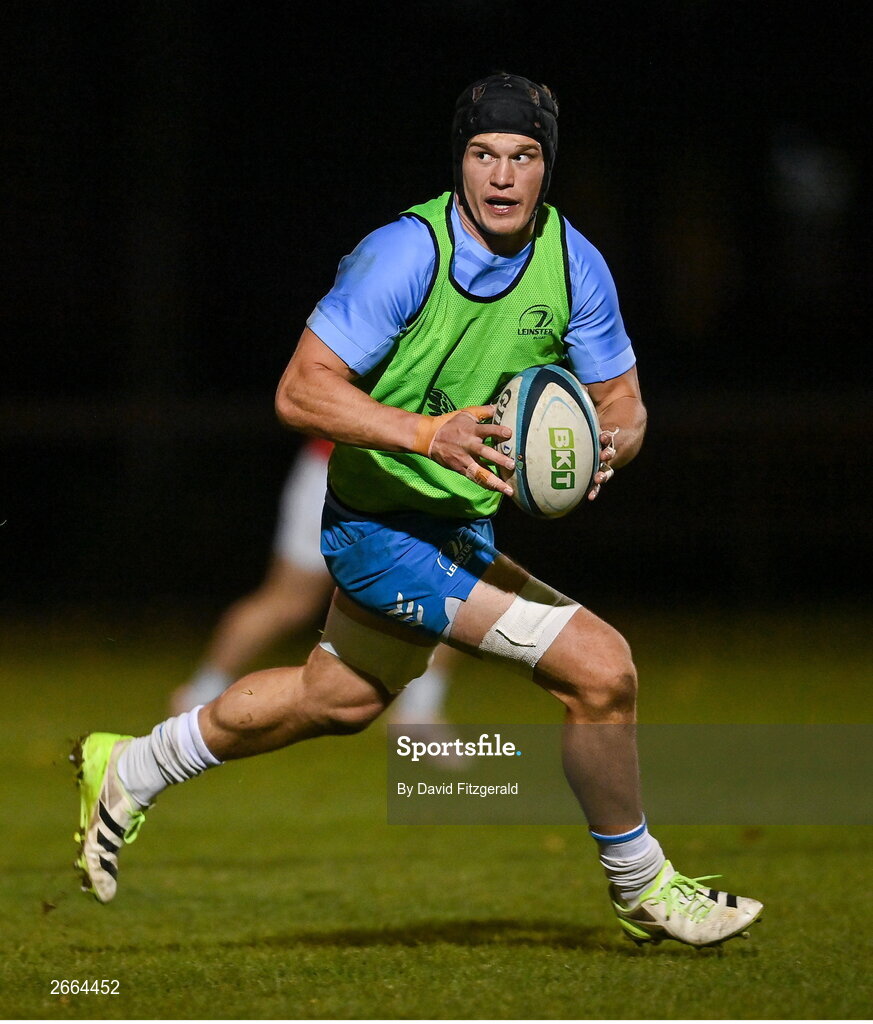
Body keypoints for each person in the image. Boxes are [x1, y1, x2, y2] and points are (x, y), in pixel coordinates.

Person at [72, 72, 763, 947]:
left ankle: (130, 765)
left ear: (547, 167)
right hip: (378, 530)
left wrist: (604, 448)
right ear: (460, 164)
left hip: (456, 526)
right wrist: (425, 434)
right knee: (602, 671)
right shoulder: (405, 253)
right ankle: (642, 888)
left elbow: (622, 402)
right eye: (484, 156)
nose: (503, 177)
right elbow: (299, 391)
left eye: (522, 156)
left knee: (337, 699)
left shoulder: (572, 261)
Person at [169, 436, 460, 728]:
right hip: (344, 467)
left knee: (452, 591)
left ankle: (418, 716)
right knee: (289, 602)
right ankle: (199, 695)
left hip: (423, 475)